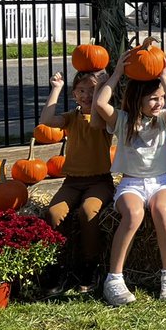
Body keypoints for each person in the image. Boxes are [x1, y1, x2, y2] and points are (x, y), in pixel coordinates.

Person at [93, 51, 166, 306]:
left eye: (161, 98)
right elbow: (101, 104)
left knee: (162, 208)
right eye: (153, 99)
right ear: (137, 100)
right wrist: (117, 74)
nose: (159, 103)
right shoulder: (122, 121)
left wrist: (165, 78)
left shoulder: (163, 120)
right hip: (131, 182)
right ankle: (114, 278)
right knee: (133, 214)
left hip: (161, 181)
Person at [40, 69, 112, 292]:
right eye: (82, 90)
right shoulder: (71, 118)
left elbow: (96, 123)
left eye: (92, 89)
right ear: (74, 94)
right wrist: (56, 89)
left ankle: (89, 266)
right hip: (71, 181)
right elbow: (46, 120)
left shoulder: (104, 118)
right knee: (53, 213)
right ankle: (58, 265)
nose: (87, 94)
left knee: (88, 211)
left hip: (99, 181)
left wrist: (102, 88)